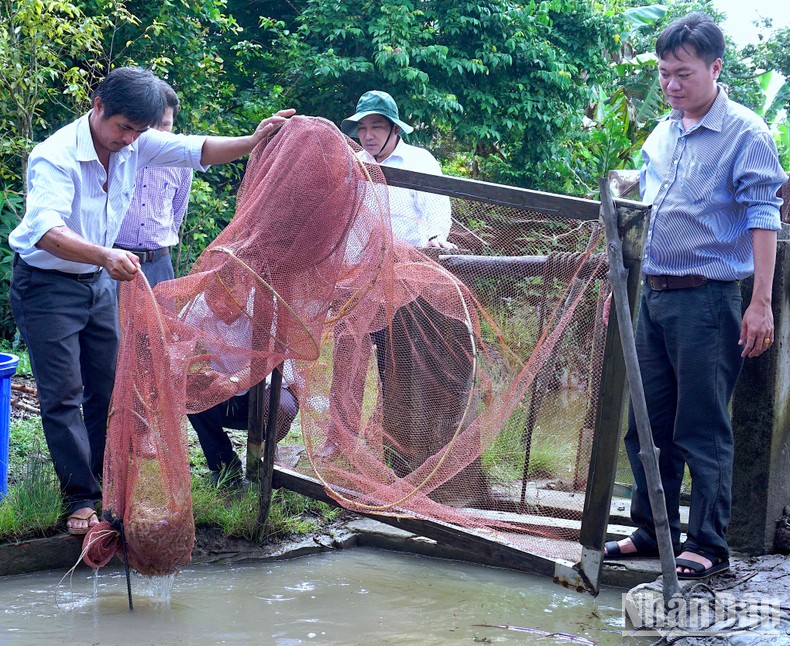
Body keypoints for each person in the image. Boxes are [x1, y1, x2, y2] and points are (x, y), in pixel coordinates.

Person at [9, 66, 294, 535]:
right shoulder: (55, 156)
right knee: (63, 394)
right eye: (123, 127)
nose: (128, 140)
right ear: (98, 105)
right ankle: (79, 498)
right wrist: (105, 255)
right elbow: (45, 231)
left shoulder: (136, 143)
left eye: (139, 131)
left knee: (110, 388)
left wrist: (253, 139)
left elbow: (196, 149)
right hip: (48, 284)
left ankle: (108, 487)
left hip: (98, 283)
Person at [603, 13, 786, 579]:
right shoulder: (666, 130)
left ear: (715, 68)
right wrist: (623, 182)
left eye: (683, 73)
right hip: (654, 295)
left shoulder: (746, 132)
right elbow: (653, 185)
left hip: (708, 300)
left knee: (701, 426)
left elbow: (764, 217)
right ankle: (651, 530)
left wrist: (759, 303)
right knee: (646, 426)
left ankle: (708, 544)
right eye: (664, 74)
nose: (672, 84)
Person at [182, 285, 299, 487]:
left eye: (230, 295)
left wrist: (234, 381)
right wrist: (197, 371)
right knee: (189, 393)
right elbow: (177, 339)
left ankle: (265, 451)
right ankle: (224, 464)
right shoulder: (198, 306)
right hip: (225, 390)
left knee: (281, 408)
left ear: (246, 286)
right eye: (213, 295)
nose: (219, 304)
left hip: (269, 386)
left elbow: (269, 356)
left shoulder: (265, 304)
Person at [340, 90, 456, 250]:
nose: (368, 136)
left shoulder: (418, 160)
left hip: (409, 259)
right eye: (362, 128)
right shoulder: (353, 161)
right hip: (358, 263)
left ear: (395, 128)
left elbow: (437, 207)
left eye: (376, 127)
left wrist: (436, 236)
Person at [114, 81, 192, 287]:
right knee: (109, 320)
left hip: (159, 264)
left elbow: (177, 212)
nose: (159, 135)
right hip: (114, 261)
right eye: (154, 126)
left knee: (160, 320)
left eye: (165, 125)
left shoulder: (183, 162)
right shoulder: (119, 151)